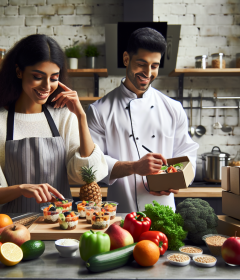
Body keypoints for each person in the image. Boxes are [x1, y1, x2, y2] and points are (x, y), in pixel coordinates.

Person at [86, 27, 199, 213]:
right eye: (141, 63)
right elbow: (93, 164)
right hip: (122, 215)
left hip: (164, 213)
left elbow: (187, 153)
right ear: (126, 59)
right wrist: (134, 166)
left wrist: (179, 179)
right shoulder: (99, 110)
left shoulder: (173, 108)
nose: (148, 72)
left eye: (154, 66)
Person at [0, 34, 108, 213]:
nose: (46, 86)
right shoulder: (2, 120)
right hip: (12, 229)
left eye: (53, 78)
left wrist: (81, 117)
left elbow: (88, 175)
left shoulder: (64, 117)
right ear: (19, 71)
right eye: (38, 76)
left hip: (61, 226)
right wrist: (21, 189)